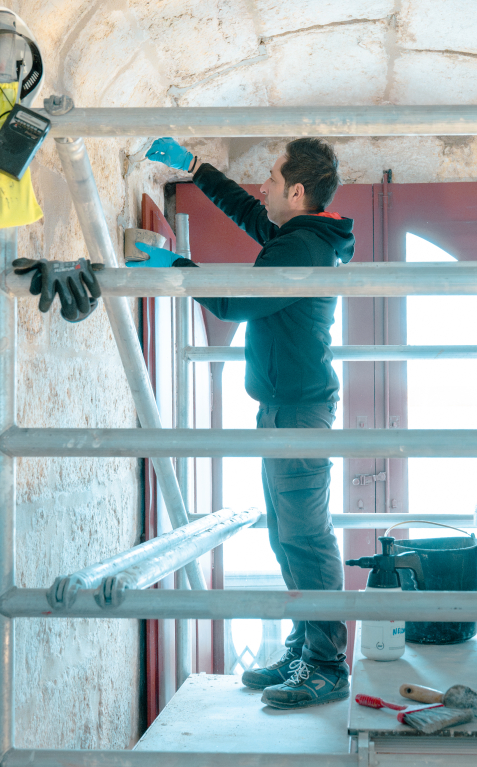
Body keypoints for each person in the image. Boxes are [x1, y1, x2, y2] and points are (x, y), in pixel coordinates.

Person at [132, 137, 355, 709]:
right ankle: (308, 646)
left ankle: (327, 666)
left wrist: (171, 265)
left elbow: (232, 300)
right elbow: (247, 211)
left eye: (274, 180)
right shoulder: (297, 236)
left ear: (298, 192)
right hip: (283, 408)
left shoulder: (303, 250)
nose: (265, 187)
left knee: (305, 537)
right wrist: (197, 170)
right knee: (286, 537)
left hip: (300, 413)